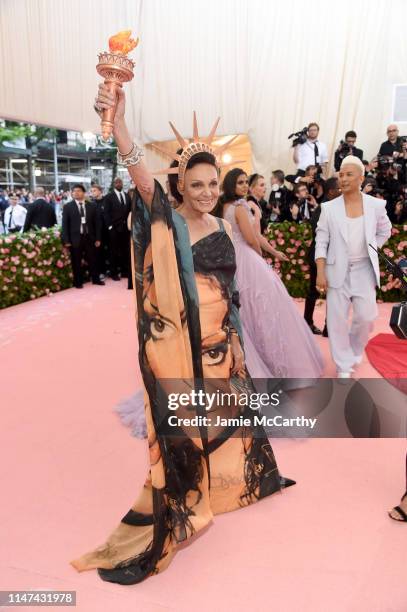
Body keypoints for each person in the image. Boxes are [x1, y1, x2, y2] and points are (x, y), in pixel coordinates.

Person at [70, 83, 295, 585]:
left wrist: (236, 341)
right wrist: (120, 123)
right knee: (184, 432)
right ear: (181, 187)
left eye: (212, 183)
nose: (207, 192)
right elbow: (139, 174)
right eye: (196, 185)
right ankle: (188, 502)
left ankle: (233, 487)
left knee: (231, 421)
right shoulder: (168, 223)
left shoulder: (221, 225)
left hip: (221, 345)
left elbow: (230, 290)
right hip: (181, 348)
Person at [217, 168, 324, 379]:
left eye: (246, 181)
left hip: (230, 258)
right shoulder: (239, 207)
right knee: (263, 308)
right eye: (240, 182)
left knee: (246, 309)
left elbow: (254, 236)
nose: (245, 185)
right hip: (246, 258)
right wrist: (260, 258)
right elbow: (252, 238)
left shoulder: (224, 206)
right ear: (231, 184)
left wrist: (274, 252)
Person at [315, 156, 392, 378]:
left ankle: (355, 351)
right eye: (341, 174)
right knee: (337, 320)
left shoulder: (375, 205)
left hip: (364, 269)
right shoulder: (328, 208)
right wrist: (320, 271)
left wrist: (371, 248)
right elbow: (321, 241)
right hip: (335, 269)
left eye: (349, 174)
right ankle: (343, 365)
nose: (344, 178)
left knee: (366, 316)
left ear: (361, 178)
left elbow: (385, 231)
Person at [303, 177, 340, 336]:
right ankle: (308, 323)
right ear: (331, 192)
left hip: (333, 256)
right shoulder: (323, 209)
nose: (342, 190)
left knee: (333, 293)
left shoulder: (337, 206)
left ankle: (328, 327)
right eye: (339, 188)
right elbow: (320, 235)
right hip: (320, 256)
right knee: (314, 291)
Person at [61, 184, 104, 289]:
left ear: (84, 193)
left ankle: (96, 279)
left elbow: (97, 224)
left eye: (79, 191)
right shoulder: (67, 207)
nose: (76, 193)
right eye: (74, 191)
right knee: (76, 261)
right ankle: (78, 282)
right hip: (75, 238)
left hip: (90, 237)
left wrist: (98, 238)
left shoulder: (92, 206)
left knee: (93, 259)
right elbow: (65, 225)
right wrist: (66, 240)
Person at [103, 177, 131, 281]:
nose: (119, 184)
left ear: (122, 183)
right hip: (114, 229)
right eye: (117, 182)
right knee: (113, 251)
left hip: (125, 229)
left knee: (125, 251)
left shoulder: (127, 196)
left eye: (120, 182)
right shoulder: (109, 197)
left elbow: (129, 211)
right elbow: (106, 213)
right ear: (114, 184)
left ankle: (124, 271)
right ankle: (113, 273)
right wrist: (110, 227)